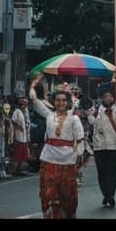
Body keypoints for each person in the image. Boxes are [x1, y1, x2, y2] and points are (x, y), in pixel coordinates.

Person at [26, 77, 85, 219]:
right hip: (49, 160)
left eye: (64, 100)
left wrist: (79, 156)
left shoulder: (74, 119)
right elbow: (34, 99)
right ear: (54, 102)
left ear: (68, 102)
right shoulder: (49, 115)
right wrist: (33, 85)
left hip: (68, 162)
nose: (60, 103)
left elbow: (80, 140)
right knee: (49, 195)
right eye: (58, 100)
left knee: (68, 197)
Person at [90, 89, 116, 209]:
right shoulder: (98, 115)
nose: (107, 98)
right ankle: (106, 195)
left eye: (109, 96)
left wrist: (111, 118)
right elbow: (95, 130)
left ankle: (110, 196)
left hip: (114, 147)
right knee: (101, 173)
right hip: (100, 148)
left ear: (113, 99)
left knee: (111, 172)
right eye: (105, 96)